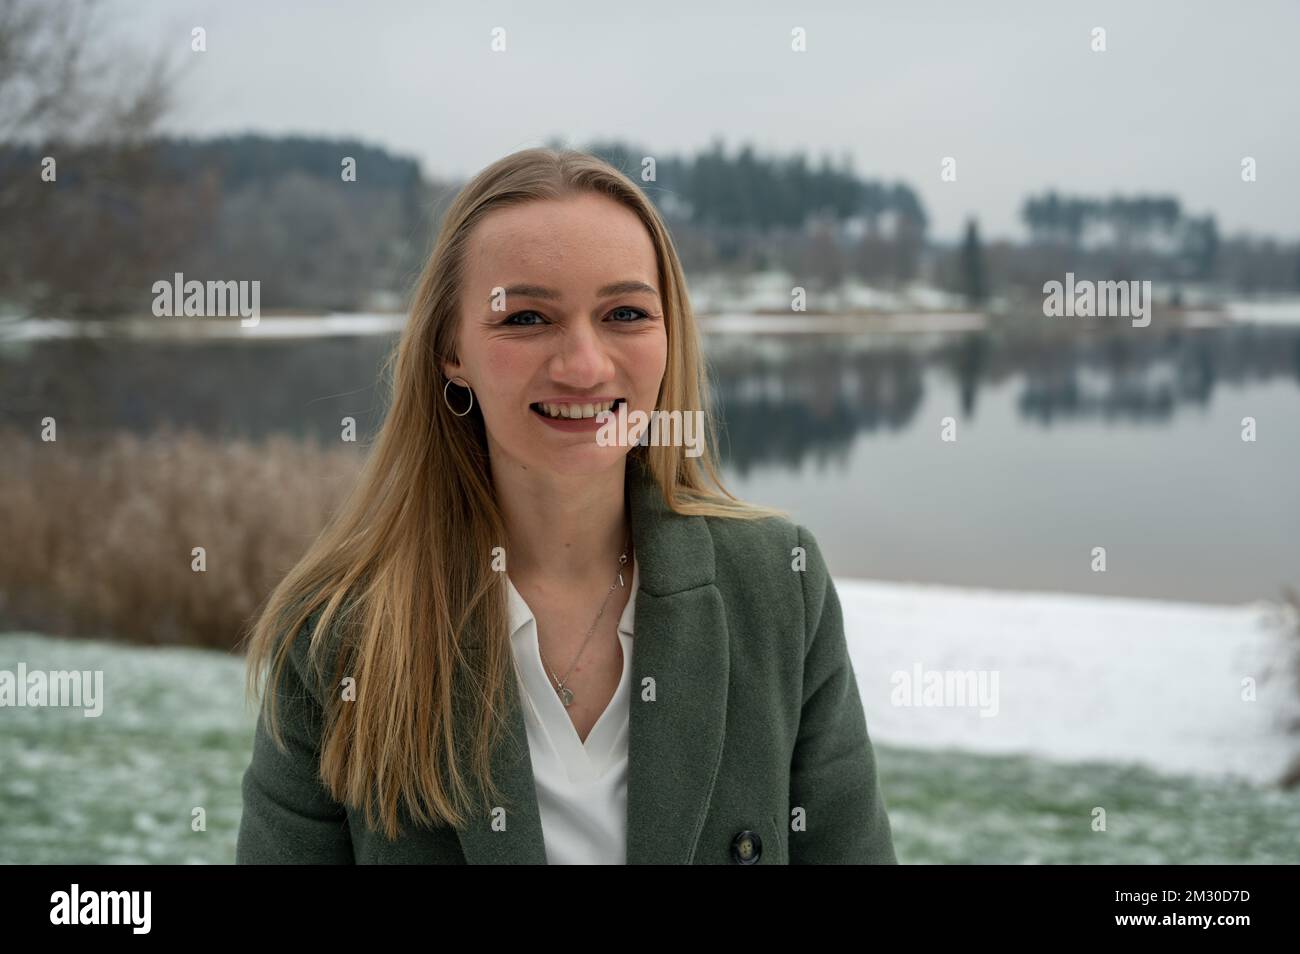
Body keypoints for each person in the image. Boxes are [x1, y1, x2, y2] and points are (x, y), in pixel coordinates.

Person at [235, 147, 897, 864]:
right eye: (525, 318)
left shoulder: (777, 587)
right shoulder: (337, 630)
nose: (583, 366)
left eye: (624, 312)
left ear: (669, 336)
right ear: (451, 350)